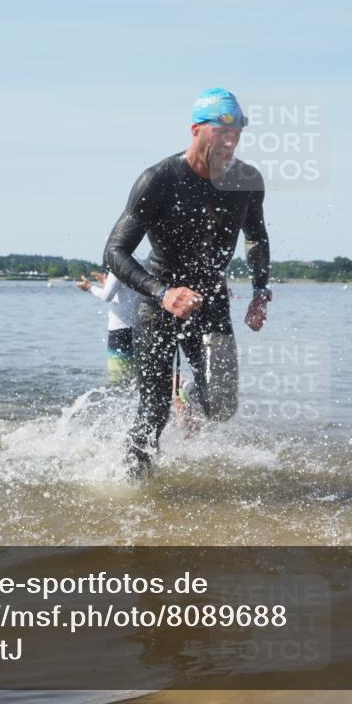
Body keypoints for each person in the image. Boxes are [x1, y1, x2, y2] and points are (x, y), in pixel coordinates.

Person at [103, 87, 270, 477]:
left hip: (211, 302)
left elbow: (256, 238)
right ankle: (133, 488)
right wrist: (163, 293)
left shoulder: (247, 180)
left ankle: (189, 396)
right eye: (221, 133)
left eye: (236, 133)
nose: (230, 143)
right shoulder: (159, 179)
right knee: (153, 411)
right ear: (196, 130)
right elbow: (114, 251)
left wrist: (260, 290)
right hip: (158, 304)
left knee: (222, 406)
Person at [76, 268, 140, 386]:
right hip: (136, 327)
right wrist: (107, 284)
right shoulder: (139, 264)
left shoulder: (117, 266)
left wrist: (90, 287)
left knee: (117, 377)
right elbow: (127, 295)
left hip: (119, 328)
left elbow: (106, 296)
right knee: (133, 375)